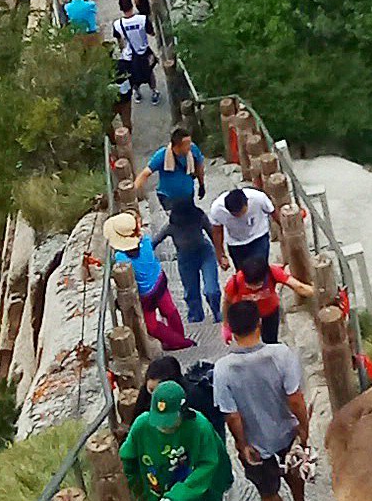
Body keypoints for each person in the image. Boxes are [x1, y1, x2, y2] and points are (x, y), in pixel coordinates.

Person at [214, 296, 319, 501]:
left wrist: (243, 445)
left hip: (256, 442)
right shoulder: (281, 354)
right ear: (259, 323)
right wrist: (303, 429)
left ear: (231, 329)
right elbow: (295, 399)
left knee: (267, 491)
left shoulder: (223, 369)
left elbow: (232, 416)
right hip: (286, 431)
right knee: (294, 469)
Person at [122, 378, 234, 501]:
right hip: (165, 484)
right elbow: (127, 459)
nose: (163, 427)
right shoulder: (142, 425)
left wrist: (178, 497)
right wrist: (138, 492)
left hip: (200, 485)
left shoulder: (200, 427)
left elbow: (208, 464)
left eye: (169, 421)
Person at [136, 126, 218, 333]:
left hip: (187, 201)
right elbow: (146, 173)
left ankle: (212, 314)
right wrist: (134, 192)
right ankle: (195, 313)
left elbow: (199, 164)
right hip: (169, 199)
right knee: (179, 223)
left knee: (186, 219)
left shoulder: (192, 152)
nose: (190, 147)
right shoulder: (161, 156)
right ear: (176, 145)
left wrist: (201, 183)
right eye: (186, 144)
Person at [110, 215, 189, 355]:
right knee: (170, 310)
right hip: (160, 280)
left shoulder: (121, 258)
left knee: (152, 326)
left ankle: (179, 342)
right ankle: (181, 338)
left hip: (146, 295)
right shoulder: (145, 241)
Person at [208, 170, 278, 294]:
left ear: (247, 202)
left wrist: (283, 229)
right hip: (236, 244)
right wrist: (220, 254)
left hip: (258, 237)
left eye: (241, 212)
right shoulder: (217, 209)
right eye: (235, 214)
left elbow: (273, 212)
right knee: (244, 277)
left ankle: (268, 298)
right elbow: (217, 232)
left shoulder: (258, 198)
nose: (239, 216)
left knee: (260, 272)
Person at [115, 1, 158, 99]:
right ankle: (154, 93)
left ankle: (137, 93)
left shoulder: (117, 24)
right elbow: (151, 33)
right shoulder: (142, 19)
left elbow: (119, 40)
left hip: (129, 55)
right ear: (132, 5)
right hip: (144, 52)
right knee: (149, 72)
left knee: (132, 75)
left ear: (121, 9)